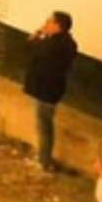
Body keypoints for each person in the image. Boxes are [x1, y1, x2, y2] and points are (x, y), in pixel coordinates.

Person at [23, 11, 80, 172]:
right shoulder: (69, 43)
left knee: (43, 126)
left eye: (49, 22)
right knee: (44, 125)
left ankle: (44, 161)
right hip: (53, 91)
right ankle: (43, 157)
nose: (45, 24)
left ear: (58, 26)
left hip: (45, 91)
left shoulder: (52, 45)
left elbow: (30, 49)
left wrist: (37, 35)